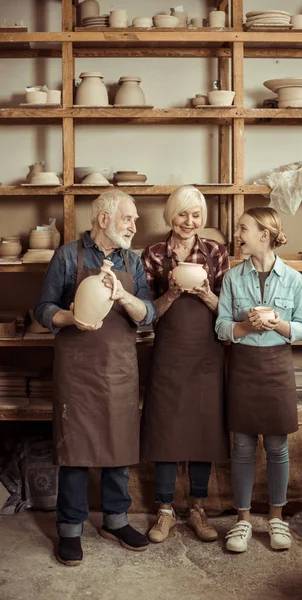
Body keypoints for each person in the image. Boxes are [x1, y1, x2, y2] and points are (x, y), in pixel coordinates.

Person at [34, 190, 156, 566]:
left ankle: (116, 520)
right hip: (78, 369)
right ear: (105, 219)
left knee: (118, 445)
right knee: (75, 450)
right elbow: (42, 309)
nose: (135, 227)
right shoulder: (69, 256)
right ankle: (70, 528)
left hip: (119, 367)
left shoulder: (132, 263)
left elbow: (148, 313)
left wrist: (123, 297)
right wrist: (71, 319)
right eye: (128, 219)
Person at [215, 207, 302, 553]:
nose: (237, 234)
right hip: (242, 367)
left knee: (276, 447)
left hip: (277, 366)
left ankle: (276, 518)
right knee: (241, 447)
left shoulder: (294, 279)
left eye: (243, 228)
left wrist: (278, 326)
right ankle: (242, 521)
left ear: (264, 236)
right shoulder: (231, 278)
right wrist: (244, 327)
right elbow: (221, 326)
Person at [141, 185, 230, 543]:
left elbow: (230, 311)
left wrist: (206, 293)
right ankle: (164, 511)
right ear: (170, 216)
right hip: (169, 353)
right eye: (182, 214)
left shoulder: (216, 252)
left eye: (196, 215)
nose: (189, 222)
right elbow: (146, 316)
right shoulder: (153, 254)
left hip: (207, 352)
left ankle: (197, 509)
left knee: (203, 430)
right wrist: (173, 293)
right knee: (166, 428)